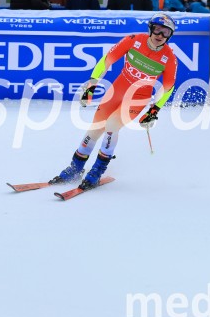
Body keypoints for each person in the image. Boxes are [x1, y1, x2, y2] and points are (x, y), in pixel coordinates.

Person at [50, 13, 178, 190]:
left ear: (169, 36)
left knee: (111, 126)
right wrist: (92, 84)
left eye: (166, 33)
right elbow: (106, 60)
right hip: (116, 91)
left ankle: (96, 171)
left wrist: (154, 109)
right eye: (157, 29)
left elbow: (168, 87)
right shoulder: (133, 40)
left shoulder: (169, 58)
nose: (160, 36)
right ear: (150, 28)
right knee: (94, 129)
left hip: (138, 98)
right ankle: (75, 168)